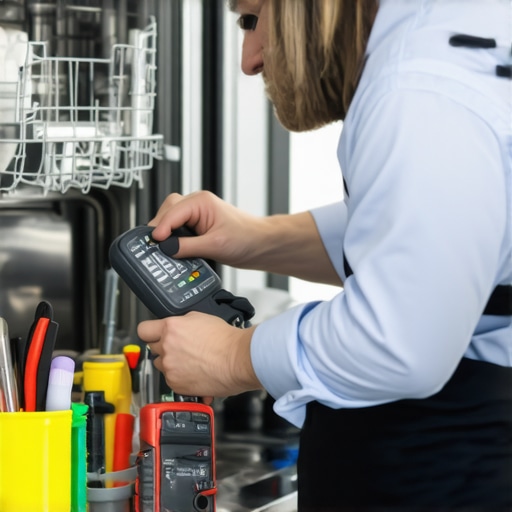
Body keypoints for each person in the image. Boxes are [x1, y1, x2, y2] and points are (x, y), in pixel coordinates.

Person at [138, 0, 512, 509]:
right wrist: (253, 238)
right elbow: (426, 244)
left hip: (454, 468)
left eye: (251, 19)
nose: (249, 59)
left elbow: (401, 342)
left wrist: (230, 356)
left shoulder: (418, 90)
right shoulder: (449, 44)